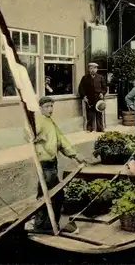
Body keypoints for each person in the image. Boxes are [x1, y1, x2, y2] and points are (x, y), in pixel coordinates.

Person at [26, 96, 99, 233]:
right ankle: (43, 225)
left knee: (53, 196)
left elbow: (61, 141)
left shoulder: (50, 122)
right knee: (48, 196)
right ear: (40, 108)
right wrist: (34, 136)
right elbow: (29, 131)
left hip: (52, 163)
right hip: (45, 163)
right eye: (47, 107)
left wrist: (76, 155)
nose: (50, 109)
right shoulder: (39, 120)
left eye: (51, 106)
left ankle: (47, 223)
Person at [78, 63, 107, 132]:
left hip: (98, 99)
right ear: (89, 69)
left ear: (96, 69)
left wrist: (102, 93)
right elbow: (81, 88)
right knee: (90, 114)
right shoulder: (85, 78)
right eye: (91, 68)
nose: (93, 70)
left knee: (99, 114)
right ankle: (89, 128)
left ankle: (100, 128)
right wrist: (84, 96)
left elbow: (104, 88)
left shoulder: (100, 77)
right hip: (89, 99)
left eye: (94, 68)